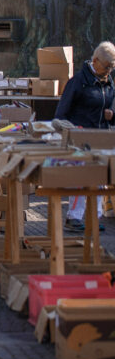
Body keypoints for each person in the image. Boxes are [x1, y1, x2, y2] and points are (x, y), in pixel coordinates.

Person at [55, 41, 115, 232]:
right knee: (80, 179)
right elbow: (61, 113)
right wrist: (72, 131)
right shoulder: (78, 82)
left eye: (112, 68)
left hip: (101, 137)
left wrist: (112, 114)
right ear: (95, 61)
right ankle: (74, 217)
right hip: (80, 138)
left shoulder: (109, 82)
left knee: (98, 179)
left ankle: (94, 216)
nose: (109, 71)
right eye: (107, 67)